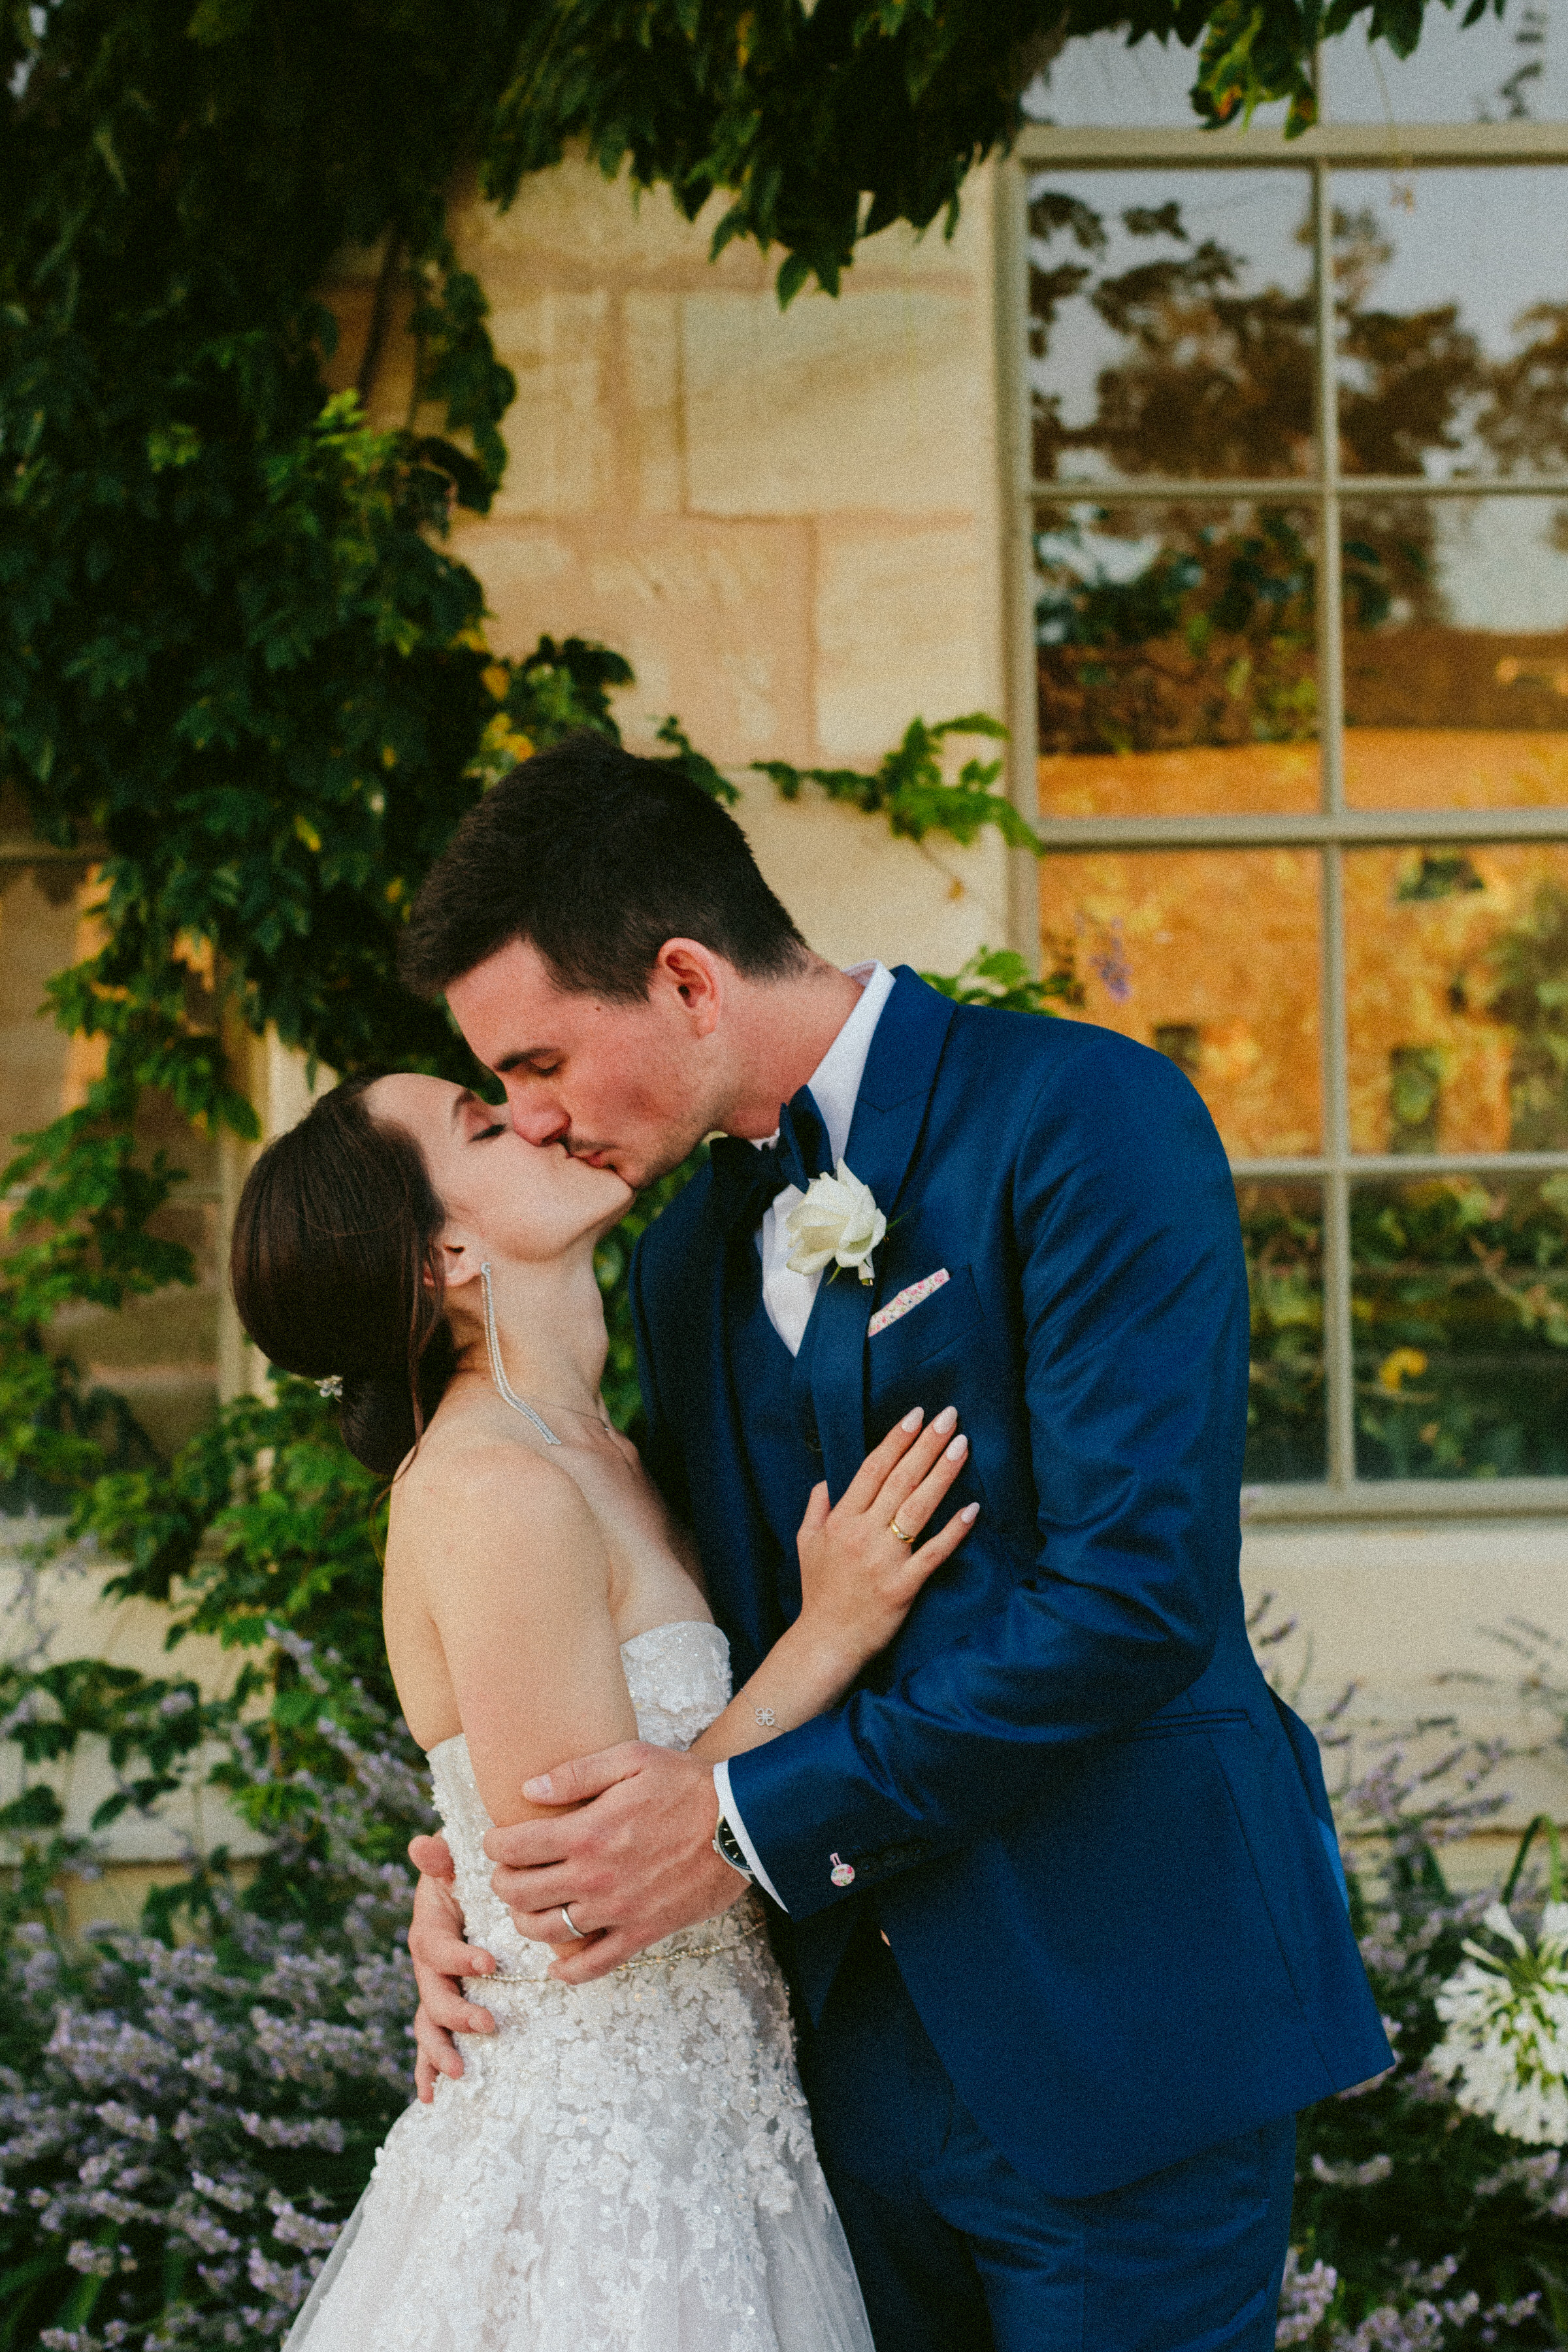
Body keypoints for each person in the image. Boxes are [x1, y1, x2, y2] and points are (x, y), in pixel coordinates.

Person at [398, 732, 1394, 2351]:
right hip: (832, 2088)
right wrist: (471, 1885)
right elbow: (657, 1636)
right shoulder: (682, 1263)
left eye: (539, 1064)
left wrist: (735, 1828)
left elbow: (1134, 1599)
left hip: (1121, 2030)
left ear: (687, 983)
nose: (533, 1121)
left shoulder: (1087, 1117)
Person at [229, 1068, 983, 2350]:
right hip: (603, 2184)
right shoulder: (488, 1490)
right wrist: (834, 1630)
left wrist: (451, 1869)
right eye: (480, 1121)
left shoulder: (616, 1450)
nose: (532, 1111)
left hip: (736, 2137)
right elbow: (584, 1891)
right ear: (448, 1254)